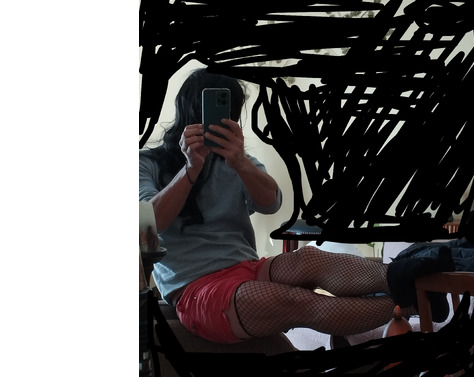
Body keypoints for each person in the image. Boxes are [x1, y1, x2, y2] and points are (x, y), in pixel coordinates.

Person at [139, 68, 452, 344]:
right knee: (298, 300)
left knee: (309, 258)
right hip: (196, 288)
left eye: (229, 111)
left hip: (247, 268)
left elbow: (271, 203)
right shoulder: (148, 163)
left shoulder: (237, 161)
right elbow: (150, 225)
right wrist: (190, 169)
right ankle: (418, 300)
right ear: (189, 109)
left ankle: (413, 273)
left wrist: (240, 161)